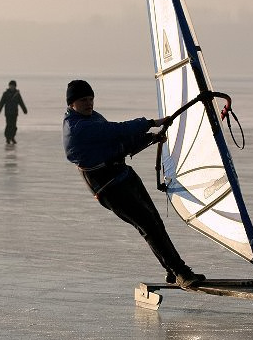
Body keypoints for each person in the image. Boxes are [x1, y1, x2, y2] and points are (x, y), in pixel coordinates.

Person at [62, 79, 206, 289]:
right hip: (108, 187)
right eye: (83, 100)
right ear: (71, 103)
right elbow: (115, 131)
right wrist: (149, 123)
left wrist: (149, 138)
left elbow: (119, 145)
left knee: (155, 221)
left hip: (124, 175)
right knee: (147, 224)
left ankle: (172, 270)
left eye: (91, 98)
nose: (89, 103)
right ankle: (180, 271)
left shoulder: (93, 117)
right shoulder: (76, 128)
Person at [0, 80, 28, 145]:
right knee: (8, 125)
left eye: (13, 86)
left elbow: (21, 102)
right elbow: (2, 102)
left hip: (14, 112)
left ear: (15, 86)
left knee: (14, 126)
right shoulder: (5, 94)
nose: (12, 87)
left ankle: (12, 137)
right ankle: (8, 138)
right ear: (9, 86)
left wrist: (24, 109)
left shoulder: (17, 94)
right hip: (8, 113)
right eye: (11, 86)